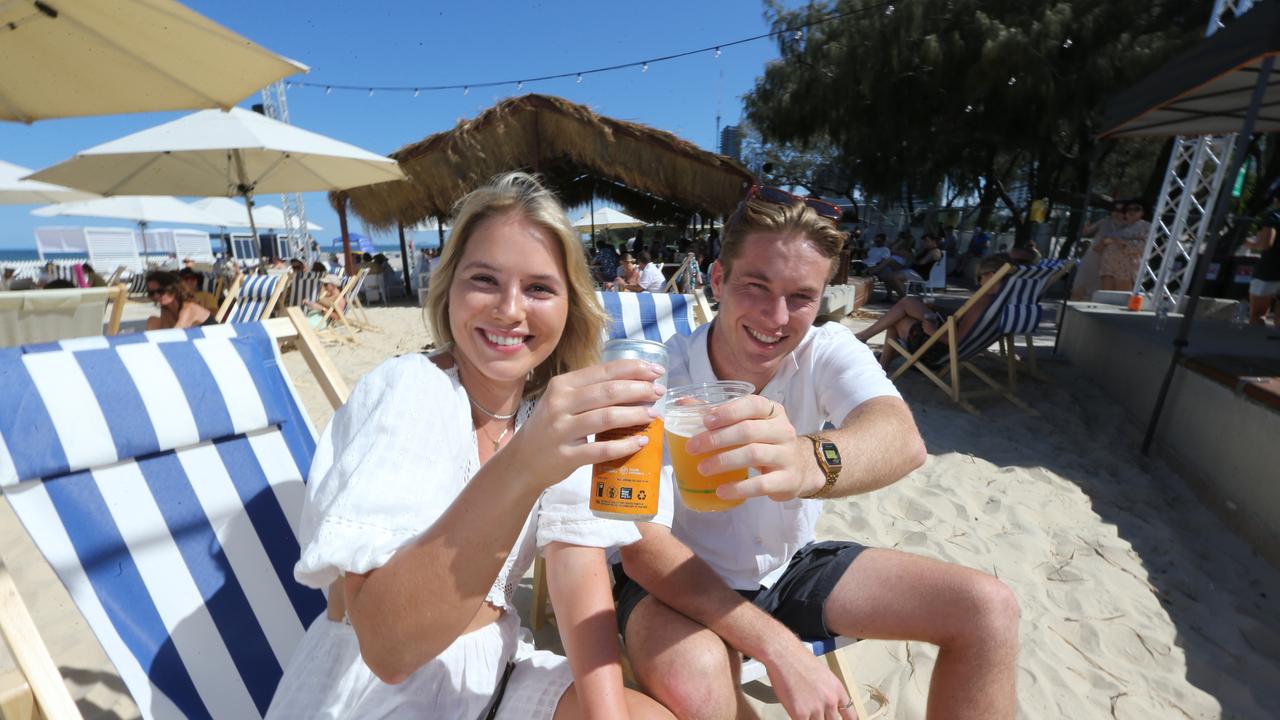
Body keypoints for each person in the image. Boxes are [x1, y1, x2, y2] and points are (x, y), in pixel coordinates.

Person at [266, 173, 672, 720]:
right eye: (485, 279)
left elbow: (578, 566)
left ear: (569, 304)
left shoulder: (543, 409)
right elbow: (388, 651)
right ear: (450, 285)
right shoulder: (412, 391)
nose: (509, 309)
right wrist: (524, 463)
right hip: (372, 694)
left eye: (539, 288)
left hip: (495, 673)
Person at [614, 187, 1020, 720]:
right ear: (718, 281)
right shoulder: (657, 376)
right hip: (673, 583)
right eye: (755, 285)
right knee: (697, 678)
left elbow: (901, 439)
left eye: (801, 297)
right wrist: (778, 647)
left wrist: (808, 461)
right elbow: (643, 545)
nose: (776, 317)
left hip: (784, 569)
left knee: (987, 611)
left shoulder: (823, 349)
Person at [856, 256, 1007, 369]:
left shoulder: (982, 303)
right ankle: (878, 357)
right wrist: (939, 309)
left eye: (980, 277)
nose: (978, 282)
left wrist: (933, 331)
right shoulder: (999, 302)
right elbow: (964, 324)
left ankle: (870, 346)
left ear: (992, 276)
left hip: (937, 349)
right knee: (907, 303)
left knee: (898, 317)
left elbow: (957, 342)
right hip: (947, 335)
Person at [1245, 183, 1280, 327]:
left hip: (1269, 270)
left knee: (1258, 315)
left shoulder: (1274, 216)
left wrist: (1249, 243)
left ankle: (1254, 347)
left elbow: (1266, 244)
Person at [1097, 200, 1150, 292]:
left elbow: (1144, 246)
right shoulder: (1120, 225)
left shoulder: (1146, 226)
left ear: (1143, 212)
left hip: (1126, 266)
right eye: (1128, 209)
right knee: (1105, 296)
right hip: (1108, 265)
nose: (1132, 211)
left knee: (1120, 298)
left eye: (1136, 209)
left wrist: (1120, 242)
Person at [144, 270, 213, 329]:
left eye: (160, 291)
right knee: (152, 321)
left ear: (173, 289)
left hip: (214, 342)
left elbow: (177, 335)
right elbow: (165, 330)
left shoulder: (189, 308)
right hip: (195, 341)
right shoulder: (166, 308)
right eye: (151, 293)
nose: (156, 296)